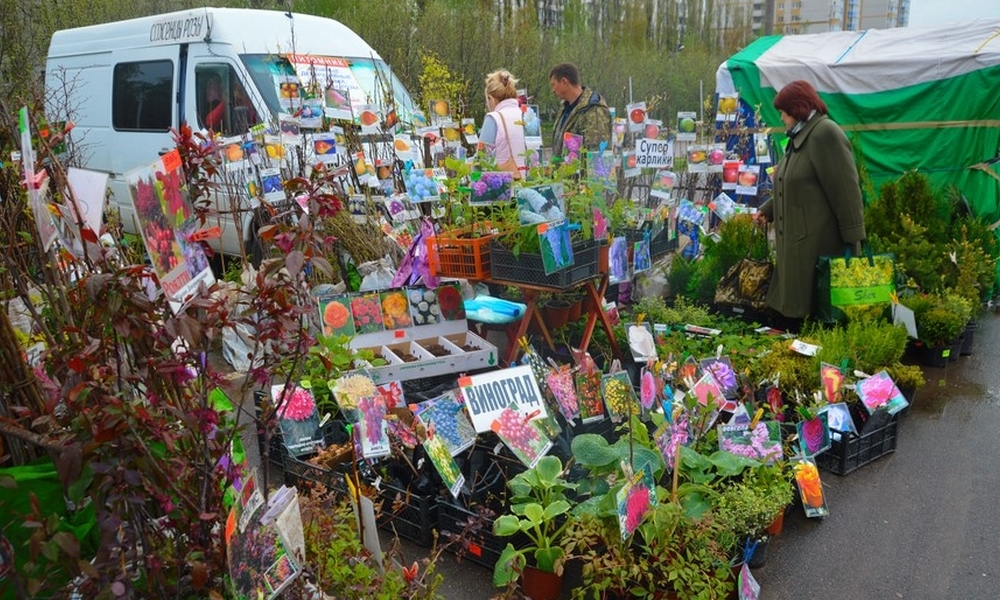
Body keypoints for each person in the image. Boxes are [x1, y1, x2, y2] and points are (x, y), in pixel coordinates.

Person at [754, 79, 866, 327]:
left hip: (817, 245)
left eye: (784, 112)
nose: (781, 117)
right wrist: (768, 209)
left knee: (818, 313)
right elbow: (792, 182)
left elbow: (846, 190)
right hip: (798, 242)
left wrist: (854, 240)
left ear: (798, 108)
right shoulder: (799, 137)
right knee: (796, 314)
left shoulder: (825, 133)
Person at [548, 62, 611, 156]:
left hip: (580, 166)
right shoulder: (564, 108)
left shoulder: (593, 110)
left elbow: (596, 154)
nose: (553, 90)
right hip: (564, 166)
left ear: (564, 82)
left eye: (554, 84)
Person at [479, 69, 527, 178]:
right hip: (533, 182)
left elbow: (482, 159)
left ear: (490, 98)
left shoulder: (493, 118)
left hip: (506, 184)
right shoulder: (528, 115)